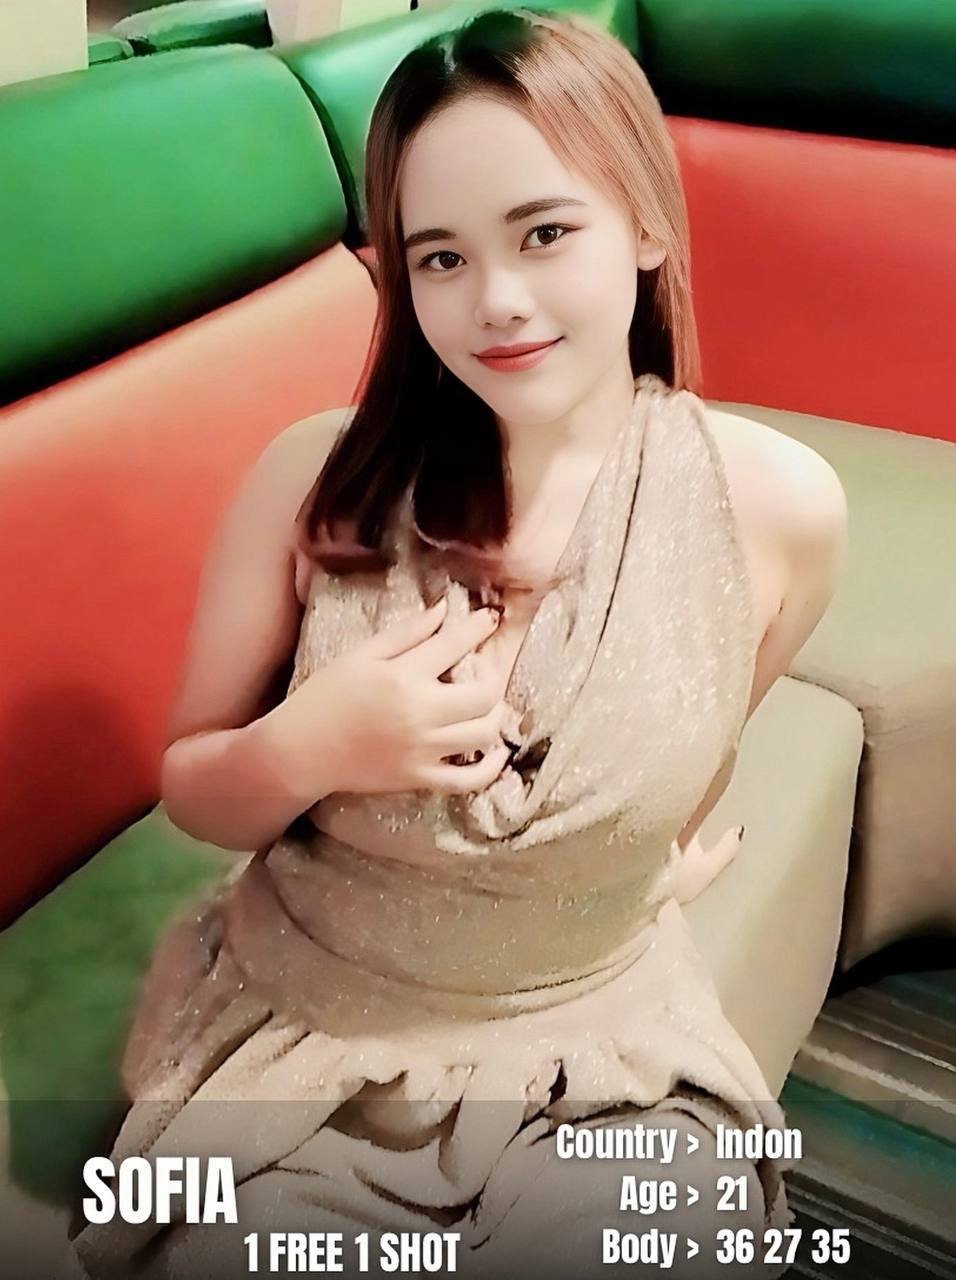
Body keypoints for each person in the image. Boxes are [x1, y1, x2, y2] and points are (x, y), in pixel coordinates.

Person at [70, 8, 847, 1277]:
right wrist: (315, 742)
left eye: (543, 233)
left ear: (644, 225)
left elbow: (700, 746)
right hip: (314, 1040)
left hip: (599, 1044)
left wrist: (631, 874)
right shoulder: (312, 480)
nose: (496, 301)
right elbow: (193, 788)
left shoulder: (776, 510)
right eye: (440, 256)